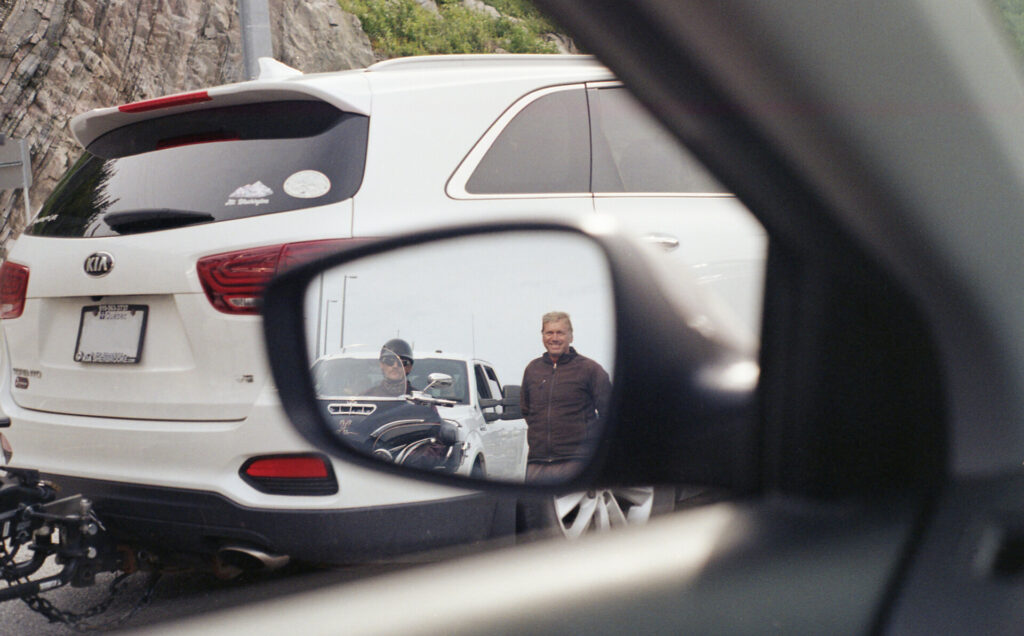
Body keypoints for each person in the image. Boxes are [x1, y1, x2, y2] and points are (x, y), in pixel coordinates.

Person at [520, 311, 611, 483]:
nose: (554, 338)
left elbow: (610, 412)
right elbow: (526, 410)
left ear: (571, 337)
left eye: (560, 332)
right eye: (549, 332)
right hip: (537, 463)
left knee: (575, 510)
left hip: (577, 462)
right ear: (542, 336)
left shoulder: (590, 370)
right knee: (532, 509)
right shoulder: (532, 370)